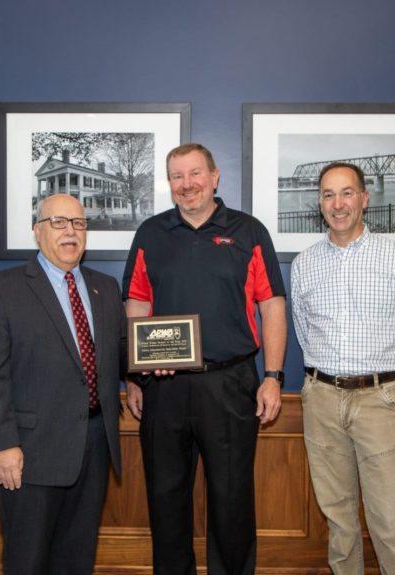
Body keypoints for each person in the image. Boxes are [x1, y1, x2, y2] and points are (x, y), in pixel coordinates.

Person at [123, 143, 287, 575]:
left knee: (232, 499)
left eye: (195, 173)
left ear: (215, 177)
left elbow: (272, 303)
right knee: (165, 497)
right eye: (177, 176)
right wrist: (134, 376)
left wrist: (272, 376)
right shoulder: (151, 233)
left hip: (230, 383)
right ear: (169, 183)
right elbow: (137, 303)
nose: (187, 184)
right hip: (164, 386)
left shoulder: (248, 231)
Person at [0, 194, 126, 575]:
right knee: (28, 560)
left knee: (77, 558)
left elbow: (120, 355)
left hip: (94, 444)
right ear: (38, 231)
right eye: (58, 222)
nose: (70, 232)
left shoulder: (105, 289)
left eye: (78, 223)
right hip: (30, 453)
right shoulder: (1, 290)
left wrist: (157, 364)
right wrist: (3, 444)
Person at [291, 162, 395, 575]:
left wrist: (383, 383)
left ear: (365, 199)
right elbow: (303, 330)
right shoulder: (305, 263)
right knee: (339, 519)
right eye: (329, 195)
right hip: (321, 397)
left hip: (378, 399)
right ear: (320, 204)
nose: (338, 204)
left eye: (347, 193)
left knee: (390, 519)